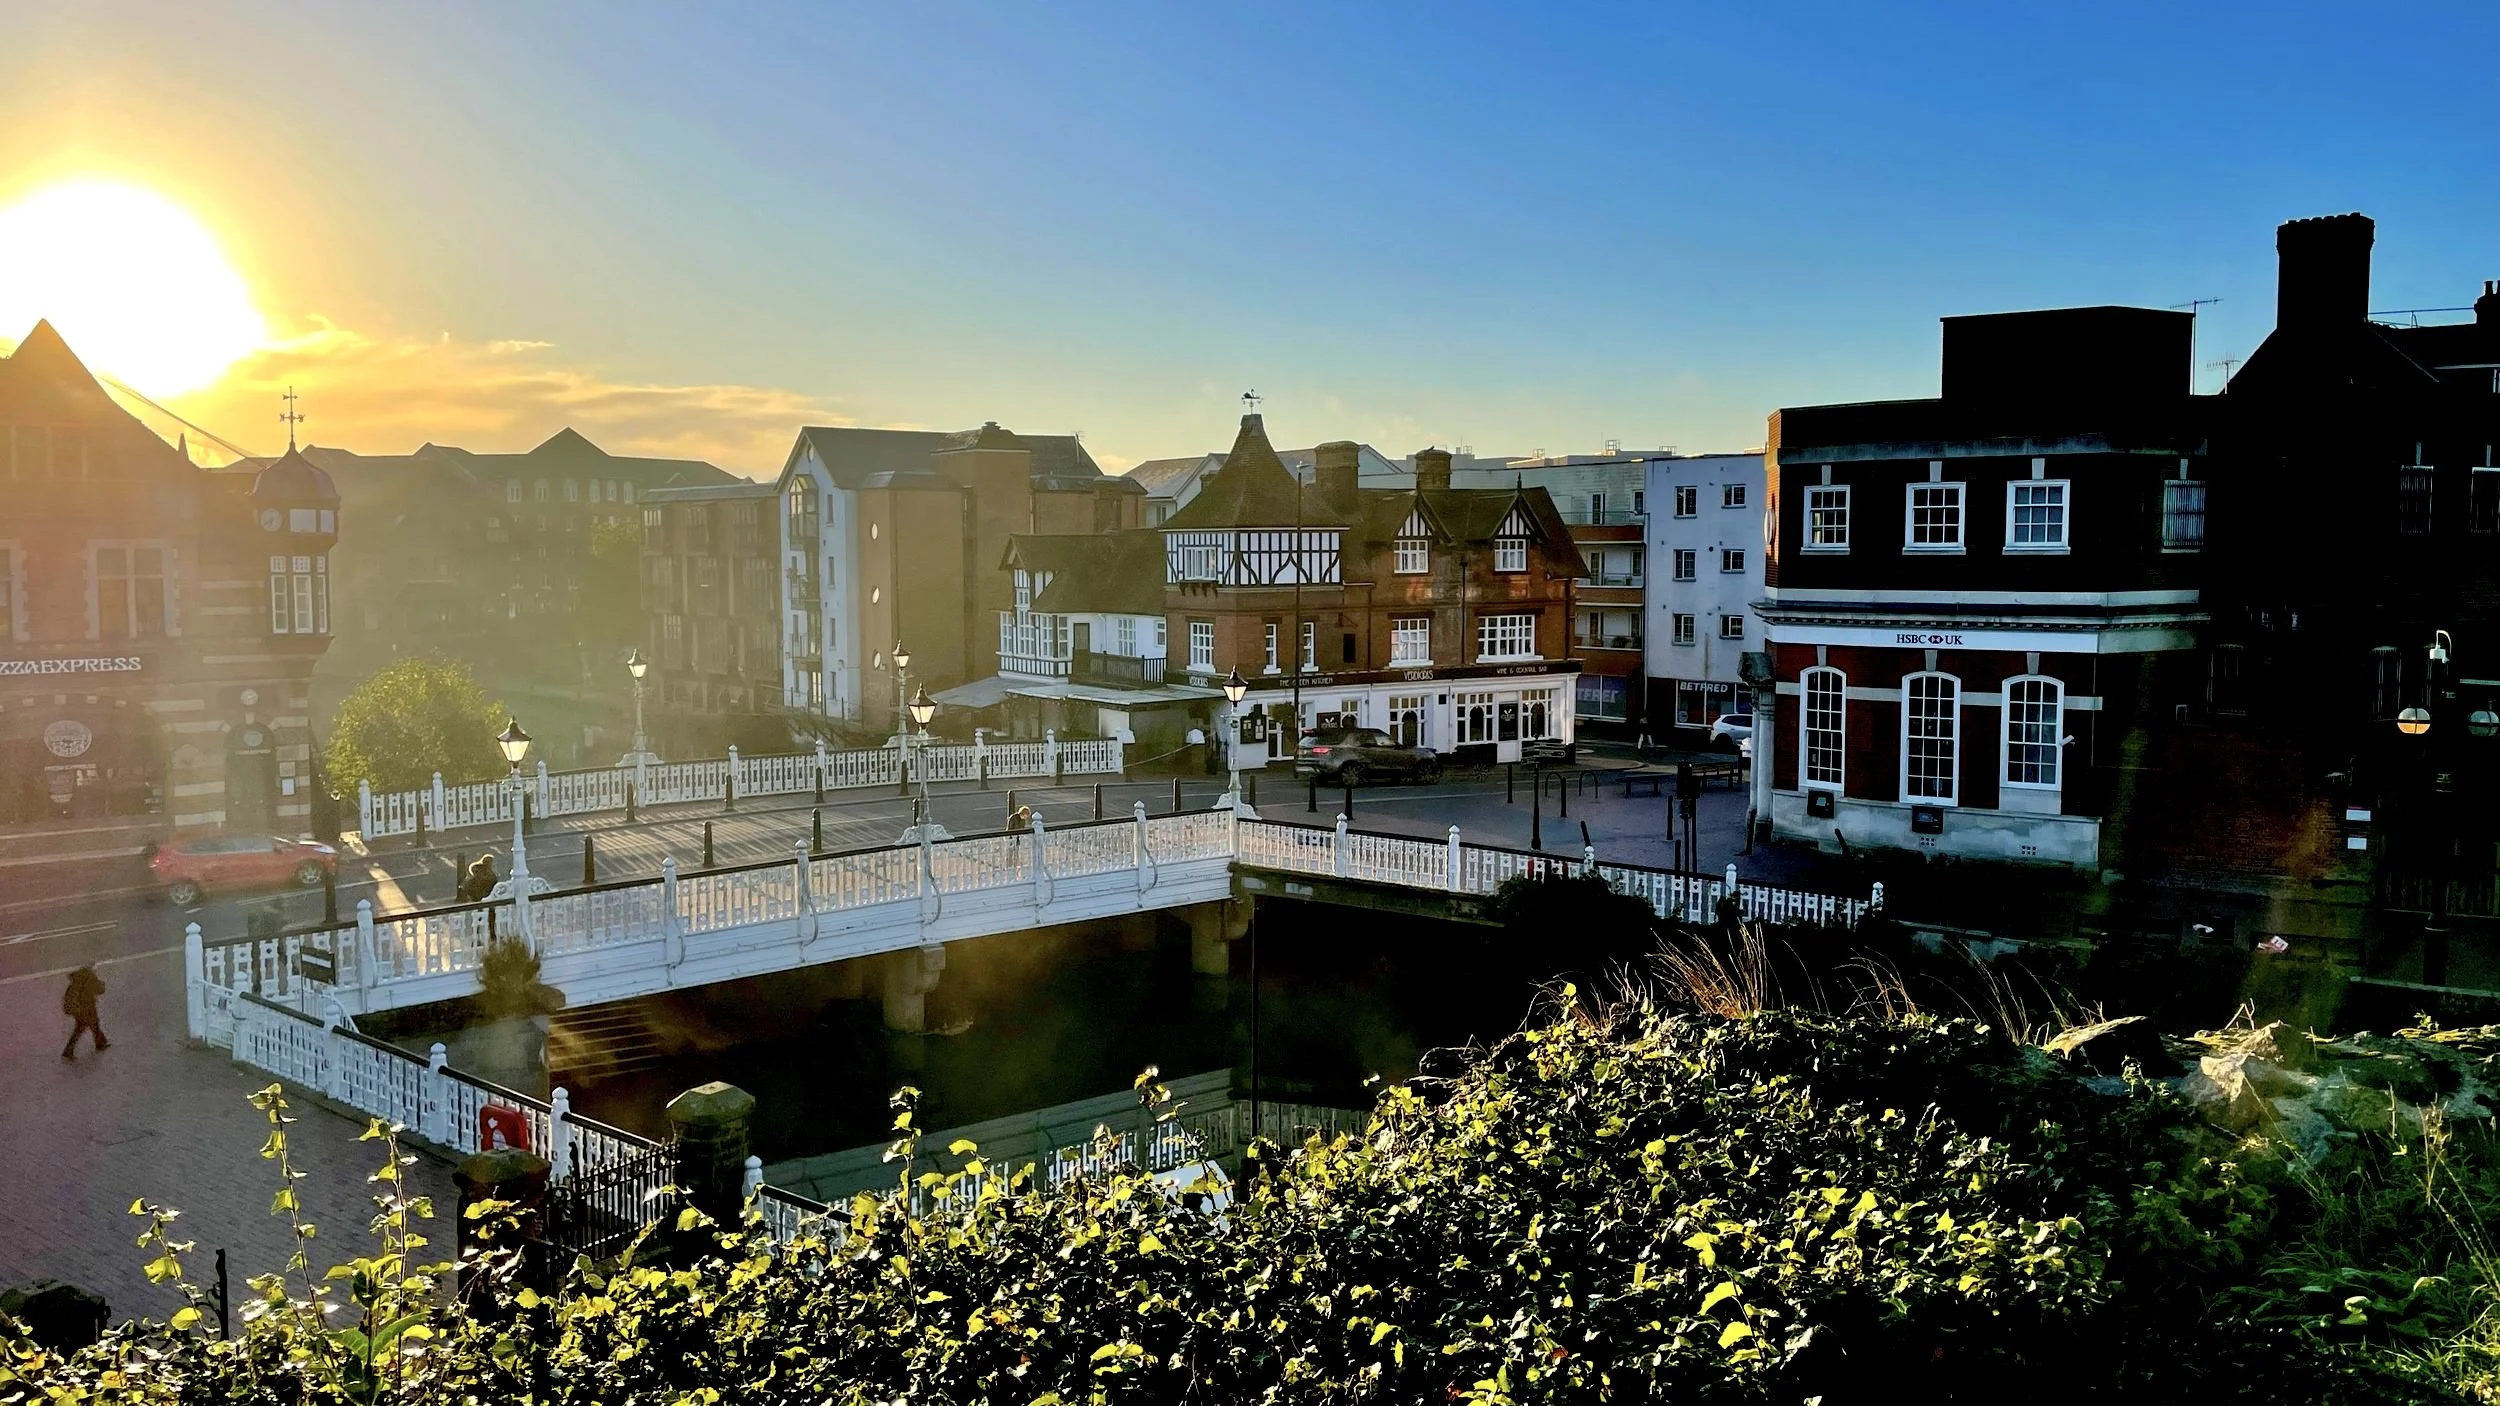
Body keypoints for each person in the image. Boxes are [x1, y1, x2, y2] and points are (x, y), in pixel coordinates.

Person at [61, 966, 107, 1060]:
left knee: (90, 1025)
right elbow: (100, 990)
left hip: (77, 1009)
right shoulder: (90, 978)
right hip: (87, 1007)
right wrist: (102, 984)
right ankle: (68, 1051)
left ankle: (101, 1042)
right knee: (84, 1026)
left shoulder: (76, 982)